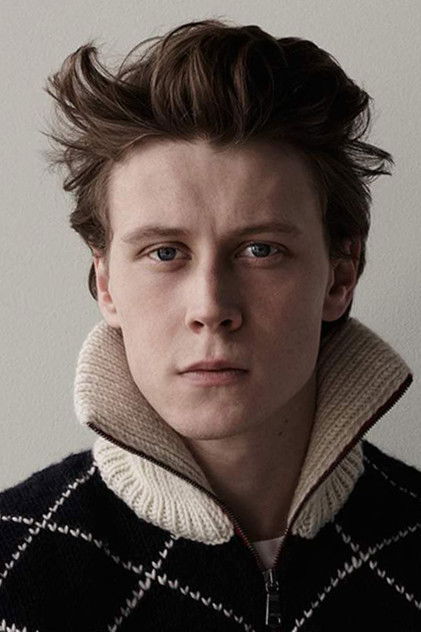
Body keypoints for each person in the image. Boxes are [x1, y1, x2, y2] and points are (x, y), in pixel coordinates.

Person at [0, 19, 419, 632]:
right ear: (107, 284)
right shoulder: (14, 565)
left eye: (261, 250)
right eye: (165, 252)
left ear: (340, 276)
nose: (211, 306)